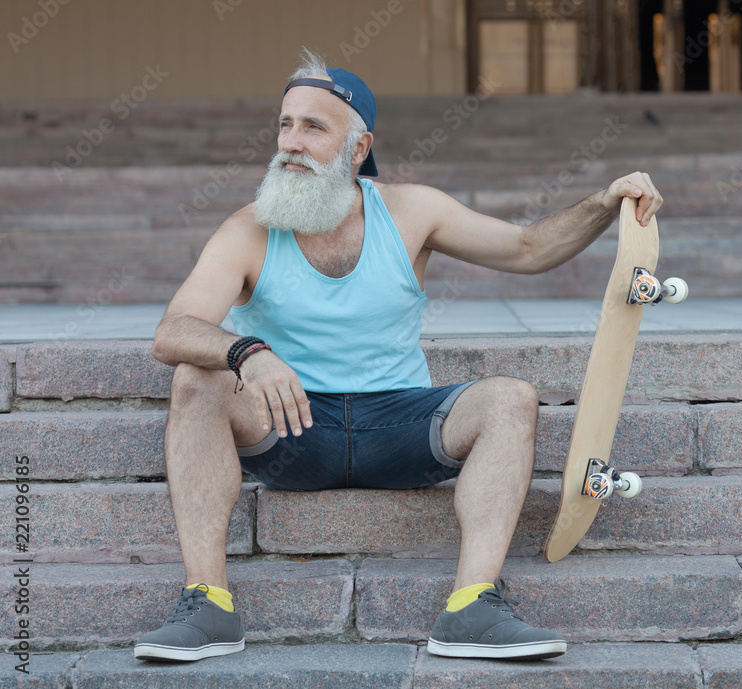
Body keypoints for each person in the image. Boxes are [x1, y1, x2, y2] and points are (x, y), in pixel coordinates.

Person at [134, 50, 663, 663]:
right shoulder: (248, 229)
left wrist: (605, 200)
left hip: (400, 424)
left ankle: (472, 608)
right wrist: (246, 350)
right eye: (285, 125)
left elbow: (527, 249)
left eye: (314, 127)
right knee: (196, 382)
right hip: (290, 428)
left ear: (359, 149)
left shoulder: (411, 211)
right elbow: (172, 331)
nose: (291, 143)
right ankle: (208, 606)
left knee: (510, 398)